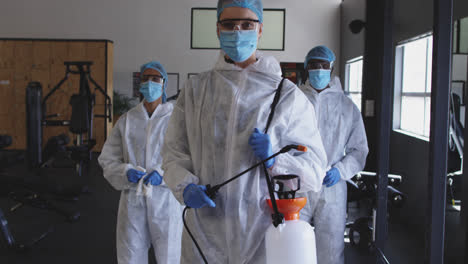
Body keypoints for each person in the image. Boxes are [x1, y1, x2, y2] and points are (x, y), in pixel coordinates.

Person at [162, 0, 328, 263]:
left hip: (261, 233)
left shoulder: (285, 95)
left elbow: (315, 170)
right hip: (204, 232)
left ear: (260, 29)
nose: (237, 31)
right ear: (217, 29)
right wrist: (184, 186)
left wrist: (276, 160)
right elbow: (173, 152)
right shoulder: (196, 91)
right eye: (229, 24)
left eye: (247, 24)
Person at [98, 61, 183, 264]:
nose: (150, 83)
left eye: (155, 79)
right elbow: (108, 158)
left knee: (171, 253)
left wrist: (163, 174)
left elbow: (186, 156)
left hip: (165, 199)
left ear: (164, 83)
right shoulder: (128, 120)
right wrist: (124, 172)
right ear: (139, 84)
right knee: (130, 254)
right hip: (133, 198)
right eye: (145, 78)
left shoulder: (176, 118)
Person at [299, 46, 369, 264]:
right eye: (313, 65)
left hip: (332, 187)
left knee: (331, 248)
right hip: (299, 182)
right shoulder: (294, 100)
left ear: (331, 68)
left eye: (323, 65)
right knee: (292, 243)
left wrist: (340, 171)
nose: (318, 70)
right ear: (306, 68)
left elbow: (360, 149)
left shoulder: (346, 106)